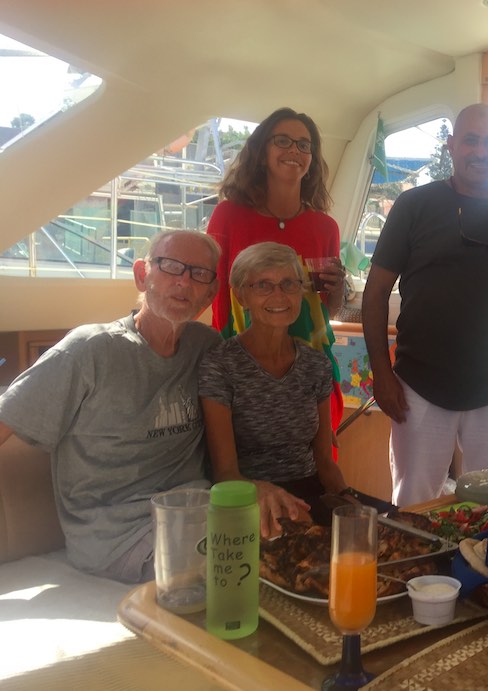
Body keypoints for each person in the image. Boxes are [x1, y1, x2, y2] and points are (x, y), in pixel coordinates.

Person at [0, 229, 222, 583]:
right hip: (117, 536)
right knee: (227, 576)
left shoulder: (207, 348)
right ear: (141, 275)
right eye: (170, 267)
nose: (183, 281)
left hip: (199, 514)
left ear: (210, 294)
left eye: (198, 273)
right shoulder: (90, 350)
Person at [362, 103, 488, 506]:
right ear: (452, 146)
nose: (480, 151)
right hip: (419, 386)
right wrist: (381, 375)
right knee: (414, 504)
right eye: (470, 140)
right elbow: (374, 293)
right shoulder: (414, 206)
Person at [206, 107, 347, 445]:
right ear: (262, 151)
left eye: (304, 145)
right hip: (240, 364)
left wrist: (340, 288)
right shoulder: (228, 216)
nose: (294, 151)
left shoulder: (325, 227)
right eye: (282, 141)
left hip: (309, 368)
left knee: (316, 468)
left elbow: (329, 311)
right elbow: (211, 288)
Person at [199, 242, 348, 538]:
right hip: (248, 497)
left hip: (309, 494)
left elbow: (324, 462)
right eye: (263, 285)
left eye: (288, 284)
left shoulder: (316, 365)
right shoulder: (220, 364)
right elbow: (225, 473)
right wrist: (273, 500)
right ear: (242, 295)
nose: (279, 296)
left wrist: (350, 502)